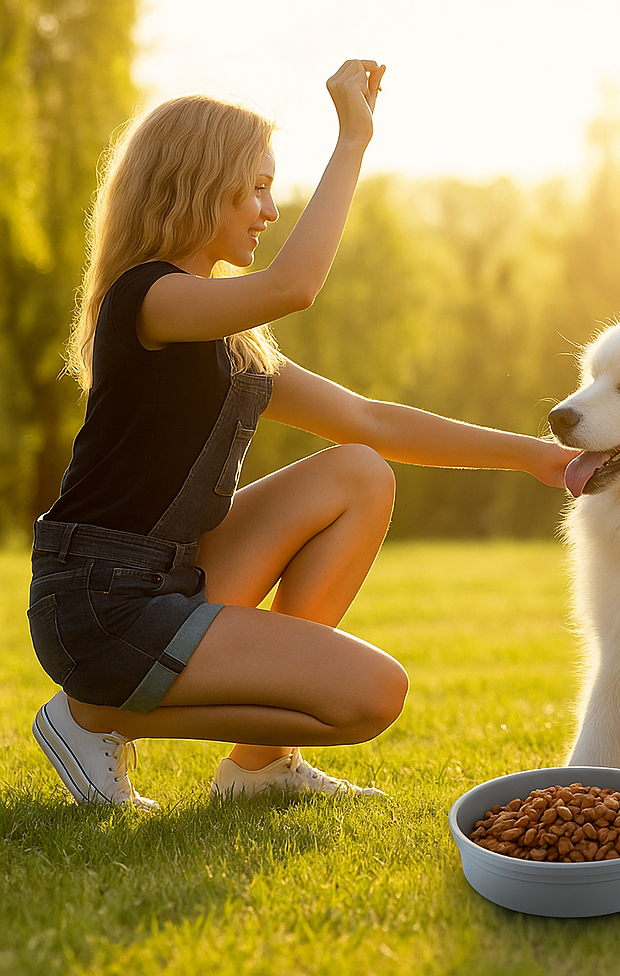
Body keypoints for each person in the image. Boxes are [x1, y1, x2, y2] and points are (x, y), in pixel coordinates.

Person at [27, 59, 576, 810]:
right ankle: (93, 716)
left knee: (358, 472)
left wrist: (536, 458)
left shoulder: (230, 342)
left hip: (168, 578)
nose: (269, 209)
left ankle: (256, 768)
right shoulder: (148, 298)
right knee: (373, 696)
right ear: (199, 184)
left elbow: (371, 421)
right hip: (101, 601)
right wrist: (352, 140)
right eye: (256, 187)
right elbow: (295, 286)